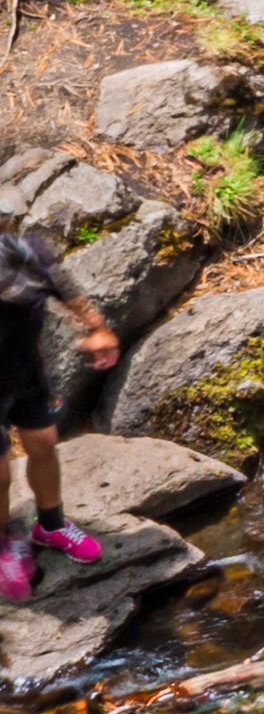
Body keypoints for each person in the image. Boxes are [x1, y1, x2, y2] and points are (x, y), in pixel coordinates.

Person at [0, 226, 118, 595]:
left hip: (25, 373)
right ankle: (4, 545)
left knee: (44, 443)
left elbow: (66, 286)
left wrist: (97, 328)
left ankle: (50, 525)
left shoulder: (27, 252)